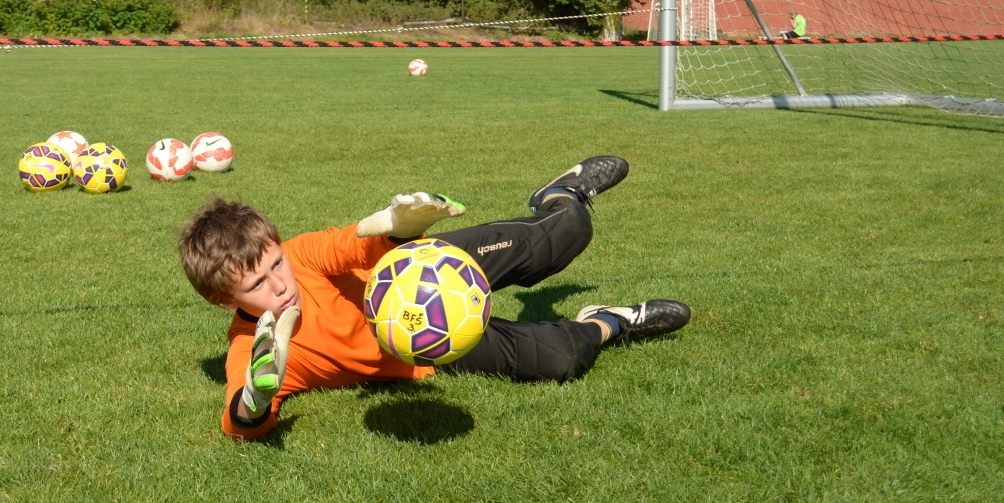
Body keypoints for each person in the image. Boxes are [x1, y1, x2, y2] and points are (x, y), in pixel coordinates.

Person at [178, 157, 691, 440]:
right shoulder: (256, 350)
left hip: (422, 271)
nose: (280, 284)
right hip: (426, 352)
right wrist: (257, 398)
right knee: (560, 359)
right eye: (257, 286)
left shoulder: (300, 255)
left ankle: (562, 195)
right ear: (226, 301)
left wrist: (398, 223)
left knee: (560, 237)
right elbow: (238, 420)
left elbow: (353, 240)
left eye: (276, 265)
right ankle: (612, 322)